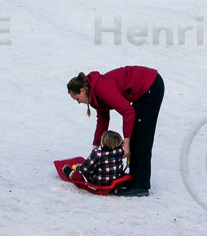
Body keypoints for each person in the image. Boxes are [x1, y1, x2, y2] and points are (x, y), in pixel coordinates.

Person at [67, 66, 164, 197]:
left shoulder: (102, 89)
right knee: (136, 131)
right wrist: (95, 148)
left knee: (141, 135)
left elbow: (128, 112)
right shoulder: (95, 95)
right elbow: (103, 120)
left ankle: (140, 185)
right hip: (144, 90)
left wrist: (126, 142)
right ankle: (135, 180)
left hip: (150, 86)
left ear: (82, 90)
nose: (78, 102)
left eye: (77, 98)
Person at [62, 130, 128, 187]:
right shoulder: (120, 151)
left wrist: (77, 167)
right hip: (115, 178)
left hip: (100, 182)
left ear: (103, 144)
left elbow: (85, 169)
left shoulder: (98, 154)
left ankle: (72, 175)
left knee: (84, 173)